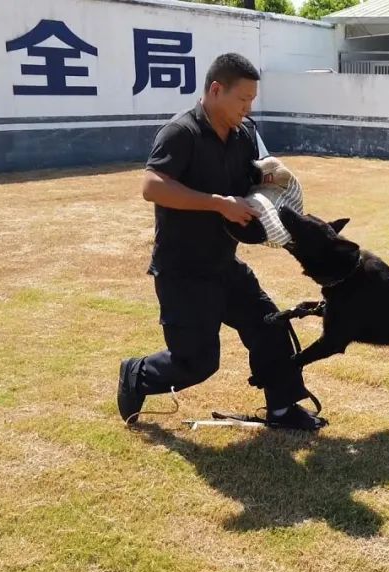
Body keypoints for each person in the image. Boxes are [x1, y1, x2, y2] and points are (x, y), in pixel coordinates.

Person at [116, 52, 325, 431]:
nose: (248, 108)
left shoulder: (243, 136)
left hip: (224, 264)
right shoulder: (182, 133)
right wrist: (218, 203)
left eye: (252, 100)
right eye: (242, 99)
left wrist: (269, 183)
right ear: (216, 90)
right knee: (197, 362)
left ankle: (282, 409)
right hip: (183, 270)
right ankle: (137, 373)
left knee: (270, 325)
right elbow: (152, 186)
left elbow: (251, 180)